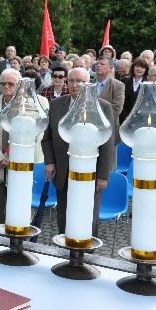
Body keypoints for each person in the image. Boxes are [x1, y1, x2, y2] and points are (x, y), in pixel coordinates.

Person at [41, 67, 115, 236]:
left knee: (87, 216)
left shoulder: (102, 107)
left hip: (90, 173)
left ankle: (86, 253)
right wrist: (50, 162)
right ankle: (64, 251)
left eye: (80, 81)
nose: (75, 85)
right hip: (63, 170)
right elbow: (47, 138)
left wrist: (103, 175)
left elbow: (108, 144)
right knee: (64, 216)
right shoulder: (55, 105)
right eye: (72, 81)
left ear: (89, 83)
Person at [0, 69, 48, 227]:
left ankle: (17, 239)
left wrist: (11, 155)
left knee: (18, 205)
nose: (6, 87)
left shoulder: (31, 107)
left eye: (11, 84)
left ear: (19, 85)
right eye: (3, 83)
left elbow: (36, 134)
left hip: (20, 164)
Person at [94, 55, 125, 146]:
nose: (98, 66)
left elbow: (116, 108)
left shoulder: (118, 85)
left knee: (109, 159)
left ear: (110, 68)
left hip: (109, 129)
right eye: (97, 63)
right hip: (90, 129)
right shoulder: (88, 84)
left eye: (102, 64)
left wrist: (100, 122)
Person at [120, 56, 149, 124]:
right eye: (137, 66)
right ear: (133, 67)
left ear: (145, 70)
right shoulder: (123, 81)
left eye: (142, 67)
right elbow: (120, 101)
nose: (139, 69)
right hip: (123, 117)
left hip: (140, 119)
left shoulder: (147, 84)